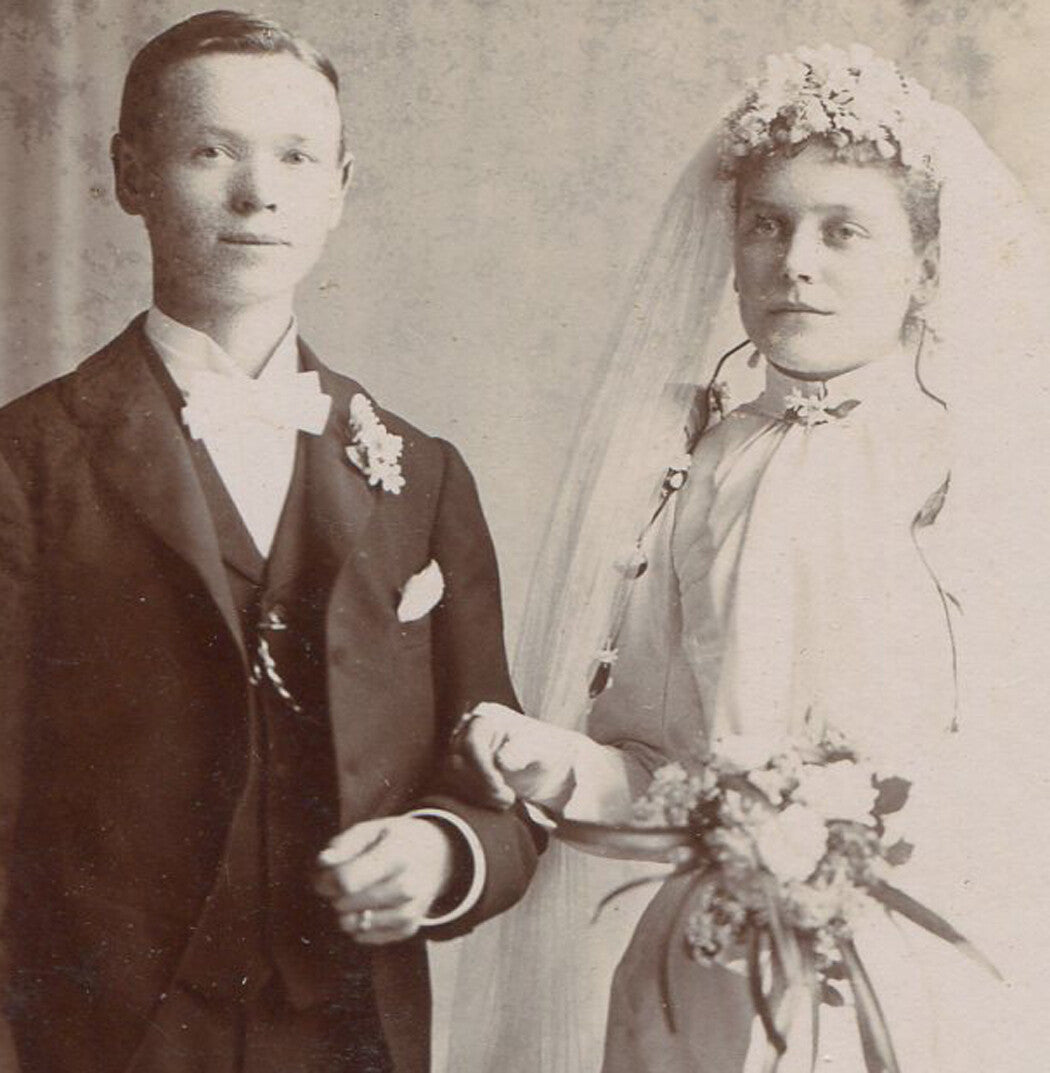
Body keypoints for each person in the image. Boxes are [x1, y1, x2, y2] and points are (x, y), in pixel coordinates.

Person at [450, 44, 1050, 1073]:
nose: (795, 262)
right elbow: (656, 764)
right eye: (767, 224)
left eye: (842, 230)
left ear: (928, 266)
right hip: (709, 966)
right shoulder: (696, 473)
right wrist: (557, 763)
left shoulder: (989, 468)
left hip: (926, 967)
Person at [0, 11, 540, 1073]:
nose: (259, 194)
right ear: (130, 173)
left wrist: (444, 849)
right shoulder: (28, 460)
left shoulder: (420, 472)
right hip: (98, 1031)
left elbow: (500, 785)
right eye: (211, 152)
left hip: (349, 1030)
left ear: (341, 185)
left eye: (296, 156)